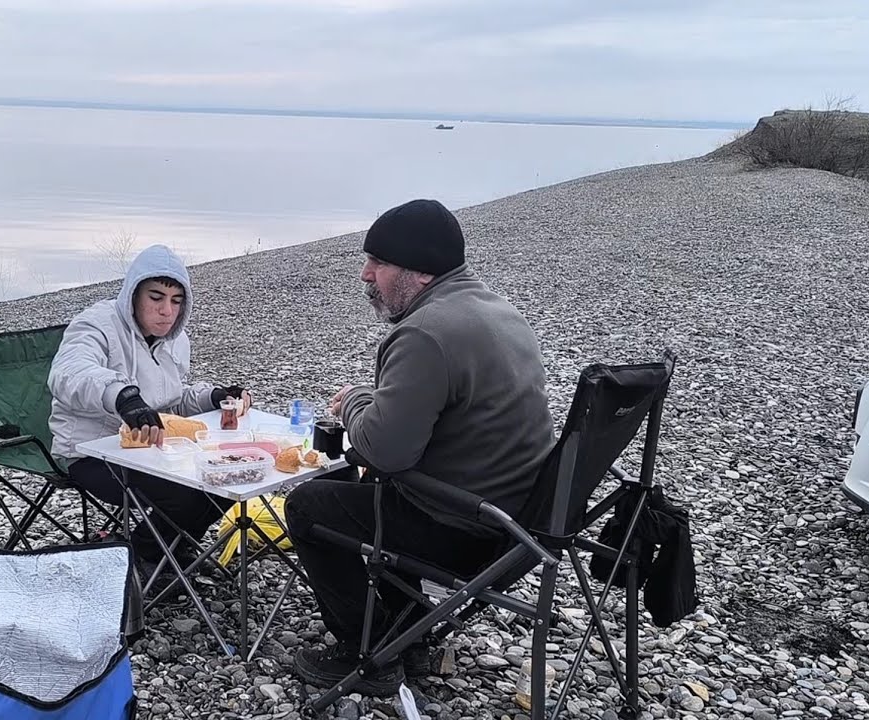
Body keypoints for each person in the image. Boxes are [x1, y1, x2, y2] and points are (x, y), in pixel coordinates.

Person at [285, 199, 556, 695]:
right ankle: (404, 629)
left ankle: (368, 654)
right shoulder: (498, 310)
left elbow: (383, 452)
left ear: (423, 273)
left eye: (380, 264)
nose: (365, 275)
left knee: (308, 504)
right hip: (524, 527)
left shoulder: (425, 334)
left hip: (467, 528)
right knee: (356, 490)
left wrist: (355, 403)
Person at [48, 244, 251, 588]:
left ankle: (167, 546)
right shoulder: (97, 324)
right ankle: (145, 551)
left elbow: (170, 401)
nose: (166, 311)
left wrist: (213, 396)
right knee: (184, 492)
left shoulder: (175, 339)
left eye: (176, 301)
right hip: (90, 452)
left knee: (225, 478)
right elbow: (67, 374)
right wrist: (122, 396)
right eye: (155, 297)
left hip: (151, 449)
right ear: (132, 295)